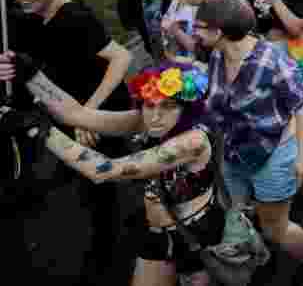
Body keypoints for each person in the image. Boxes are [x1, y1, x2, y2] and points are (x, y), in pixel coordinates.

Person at [1, 54, 222, 286]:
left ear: (187, 108)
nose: (155, 117)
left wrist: (38, 130)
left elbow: (104, 169)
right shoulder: (150, 120)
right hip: (156, 232)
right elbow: (78, 115)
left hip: (195, 237)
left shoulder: (192, 141)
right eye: (149, 105)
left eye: (168, 107)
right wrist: (33, 76)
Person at [9, 0, 136, 281]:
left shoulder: (75, 17)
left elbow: (121, 57)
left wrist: (87, 115)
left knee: (104, 184)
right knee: (92, 180)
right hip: (69, 109)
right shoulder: (33, 18)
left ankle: (113, 259)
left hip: (99, 110)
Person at [194, 0, 303, 281]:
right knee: (238, 215)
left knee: (275, 228)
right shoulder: (217, 55)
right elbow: (215, 103)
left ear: (220, 31)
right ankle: (257, 260)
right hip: (233, 154)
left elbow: (300, 104)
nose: (195, 32)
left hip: (272, 156)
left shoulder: (272, 60)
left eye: (201, 27)